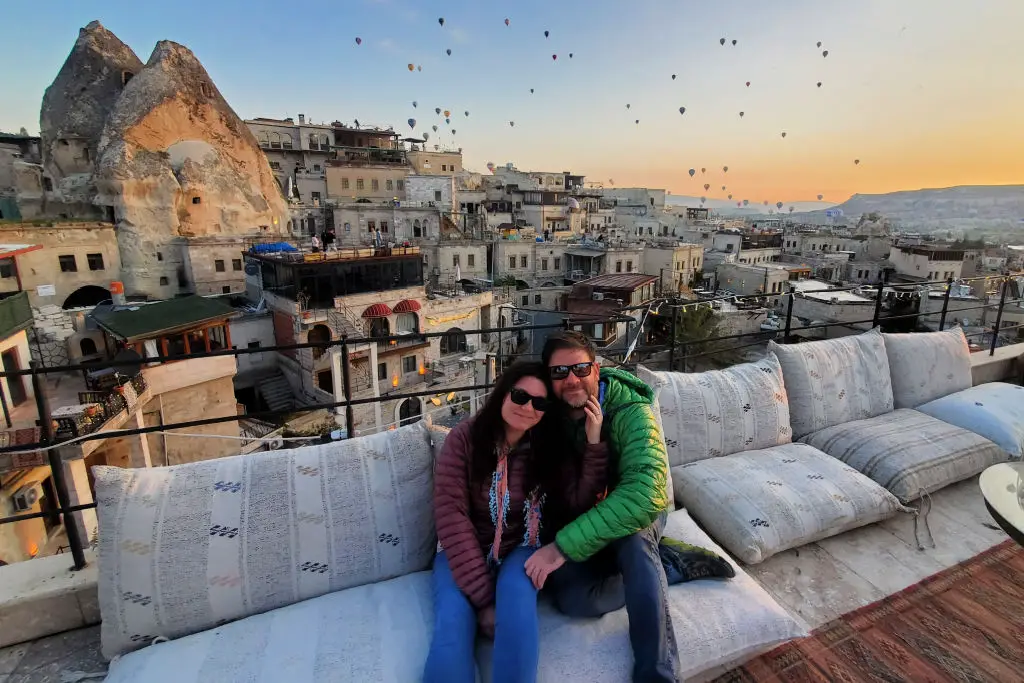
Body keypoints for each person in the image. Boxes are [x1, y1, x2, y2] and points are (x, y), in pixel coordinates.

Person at [423, 361, 607, 683]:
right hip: (462, 549)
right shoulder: (465, 439)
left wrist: (593, 444)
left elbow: (577, 501)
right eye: (521, 396)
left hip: (521, 545)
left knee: (518, 606)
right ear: (503, 394)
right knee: (453, 622)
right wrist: (484, 601)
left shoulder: (547, 448)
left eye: (539, 402)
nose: (528, 407)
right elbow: (452, 517)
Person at [525, 330, 678, 683]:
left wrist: (562, 547)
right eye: (559, 373)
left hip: (638, 511)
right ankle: (668, 565)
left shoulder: (630, 410)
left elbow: (645, 493)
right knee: (575, 600)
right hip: (586, 515)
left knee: (635, 544)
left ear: (596, 370)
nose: (571, 380)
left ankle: (657, 674)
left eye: (580, 369)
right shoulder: (551, 416)